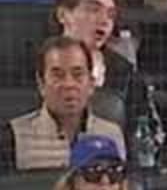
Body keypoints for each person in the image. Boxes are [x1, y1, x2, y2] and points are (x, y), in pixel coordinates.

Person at [4, 36, 119, 174]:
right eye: (58, 76)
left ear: (91, 83)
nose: (69, 84)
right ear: (41, 84)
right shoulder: (12, 136)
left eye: (78, 75)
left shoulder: (112, 134)